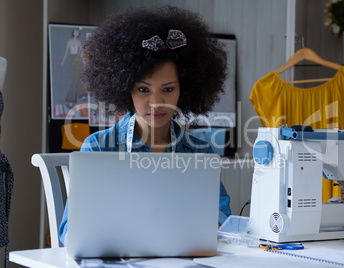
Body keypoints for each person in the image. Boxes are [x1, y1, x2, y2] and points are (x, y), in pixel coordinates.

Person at [59, 5, 231, 246]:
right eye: (143, 90)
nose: (156, 103)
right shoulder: (99, 148)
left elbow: (223, 220)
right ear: (124, 88)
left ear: (185, 89)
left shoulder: (200, 153)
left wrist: (215, 227)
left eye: (168, 89)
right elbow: (70, 231)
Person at [61, 29, 87, 106]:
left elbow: (82, 52)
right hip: (72, 59)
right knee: (76, 77)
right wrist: (63, 60)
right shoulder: (69, 41)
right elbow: (66, 51)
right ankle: (82, 95)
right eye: (75, 32)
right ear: (73, 33)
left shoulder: (79, 42)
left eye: (77, 32)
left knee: (77, 77)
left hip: (77, 58)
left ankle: (71, 100)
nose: (76, 33)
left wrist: (84, 60)